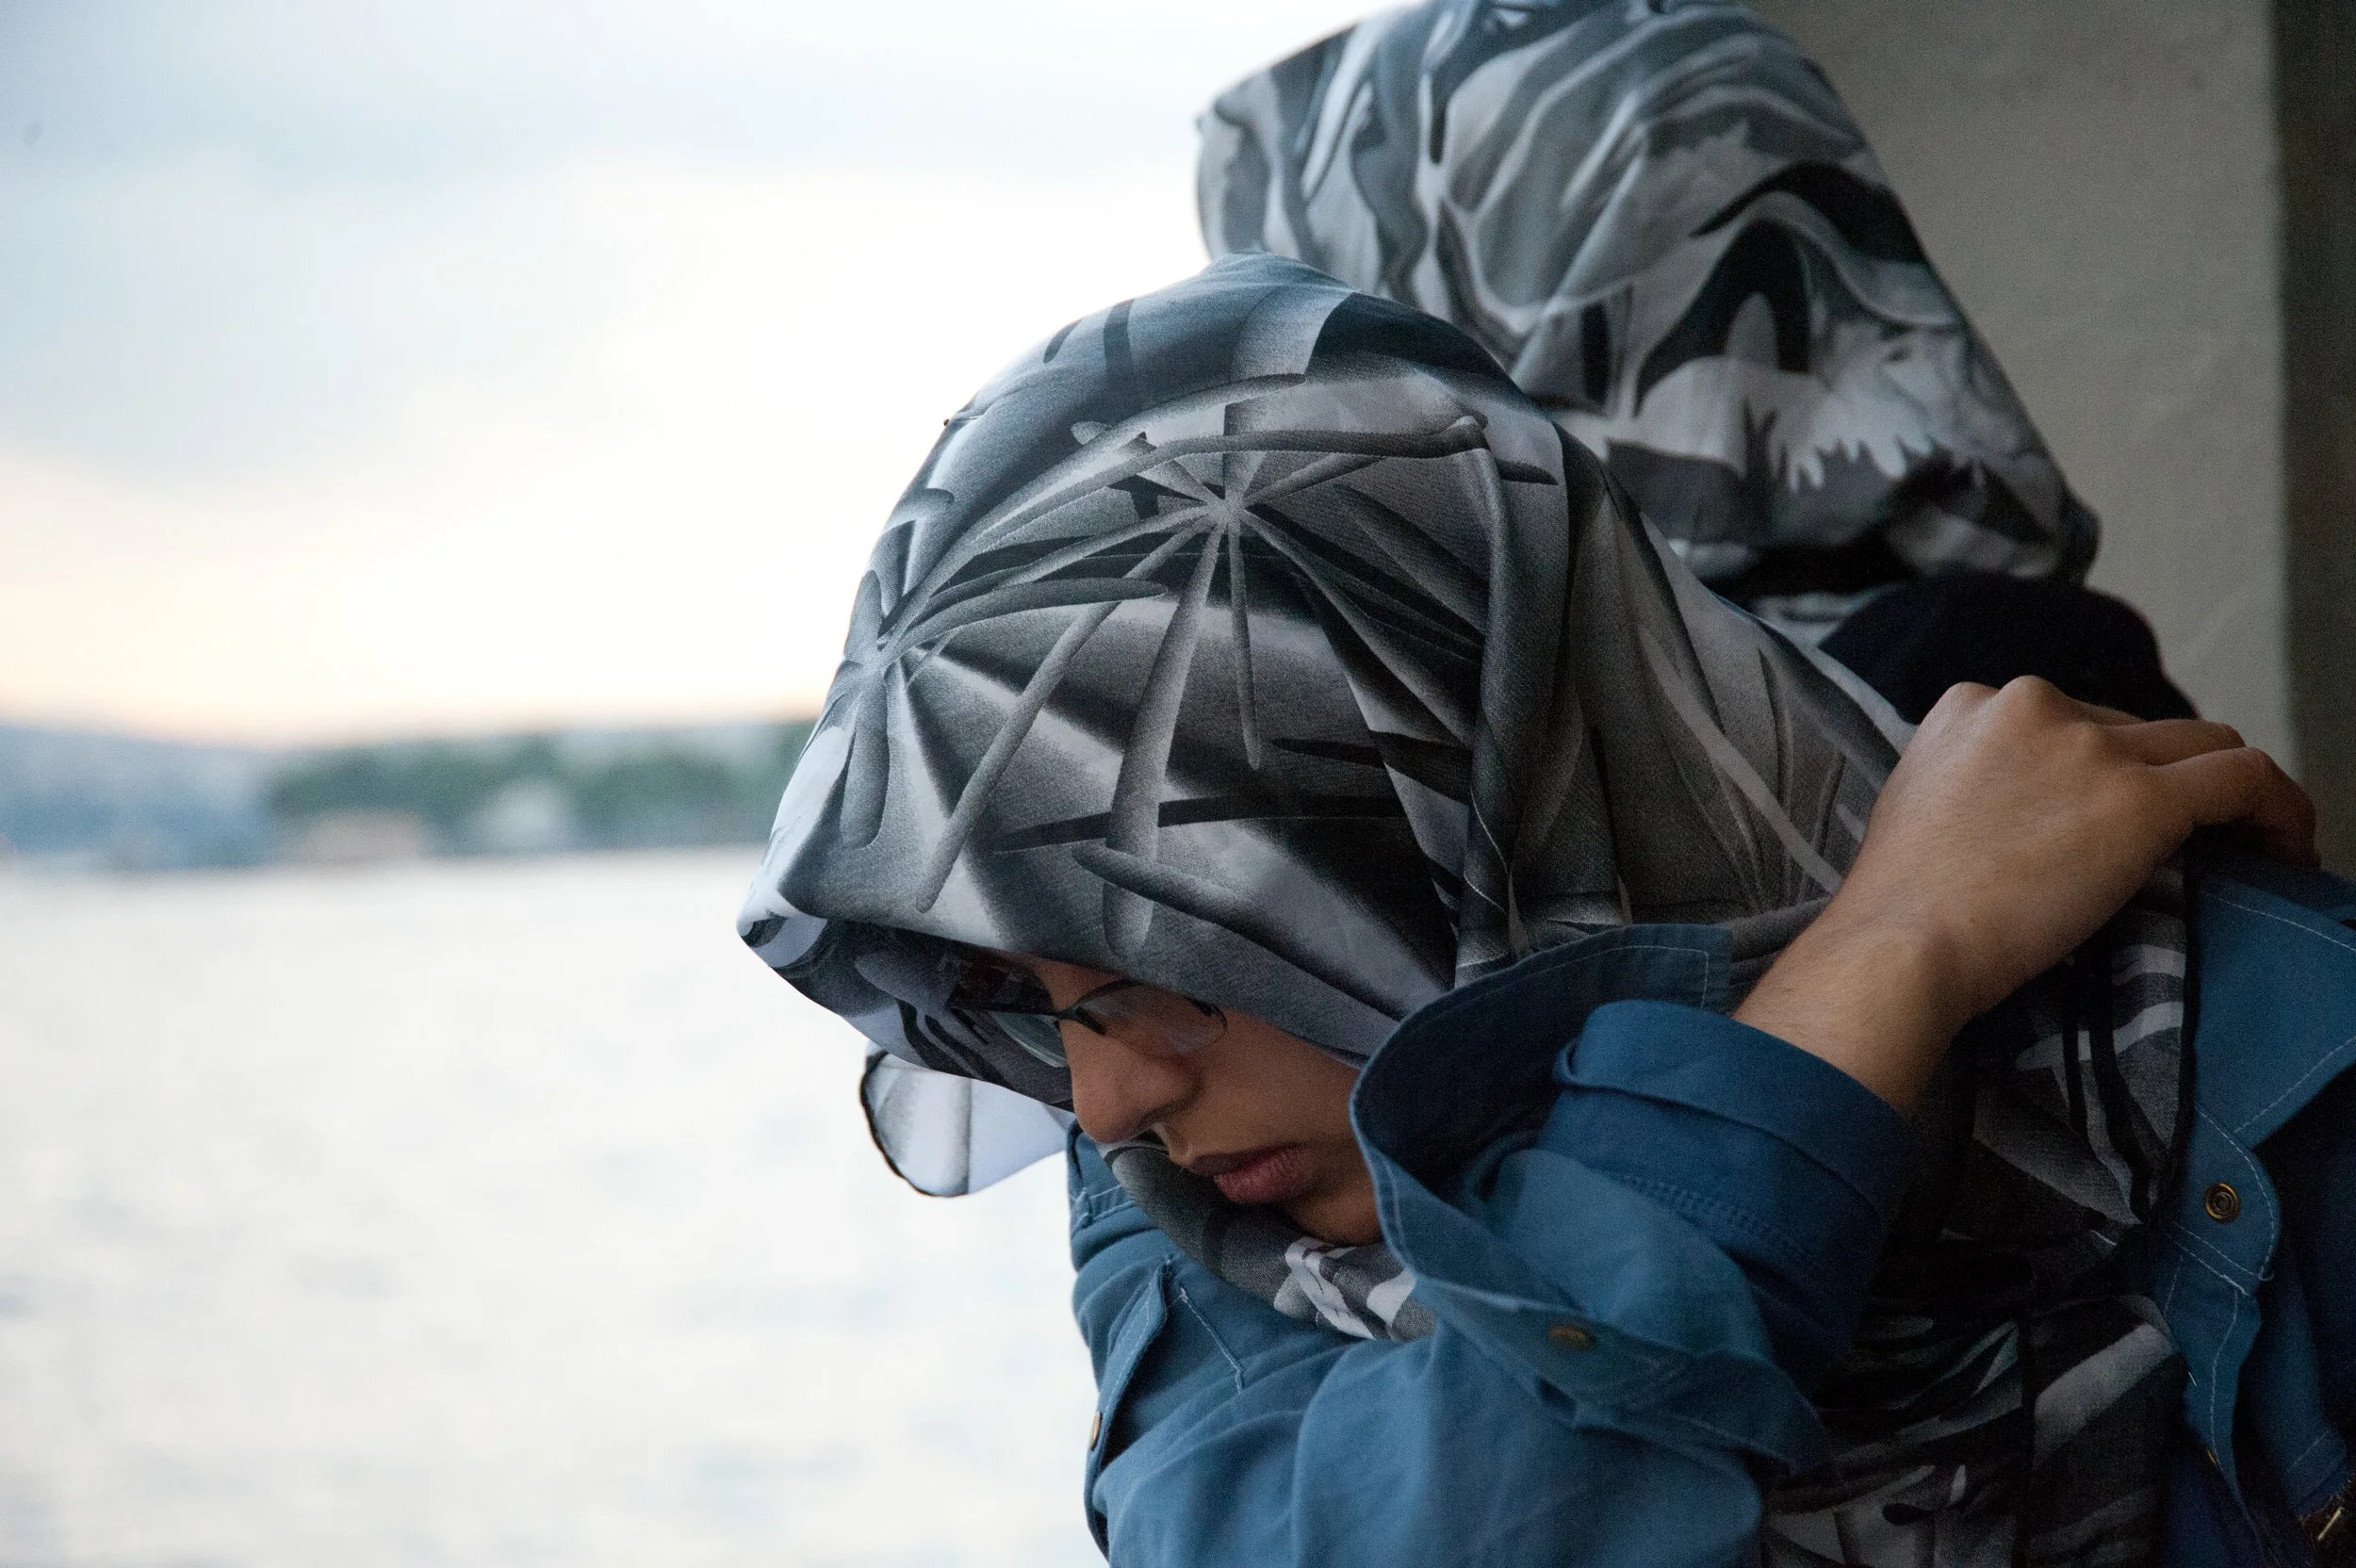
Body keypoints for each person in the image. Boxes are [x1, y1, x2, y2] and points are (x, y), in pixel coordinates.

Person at [738, 8, 2356, 1565]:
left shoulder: (2205, 1002)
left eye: (1182, 959)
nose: (1100, 1107)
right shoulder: (1214, 1172)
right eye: (1050, 1002)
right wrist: (1874, 976)